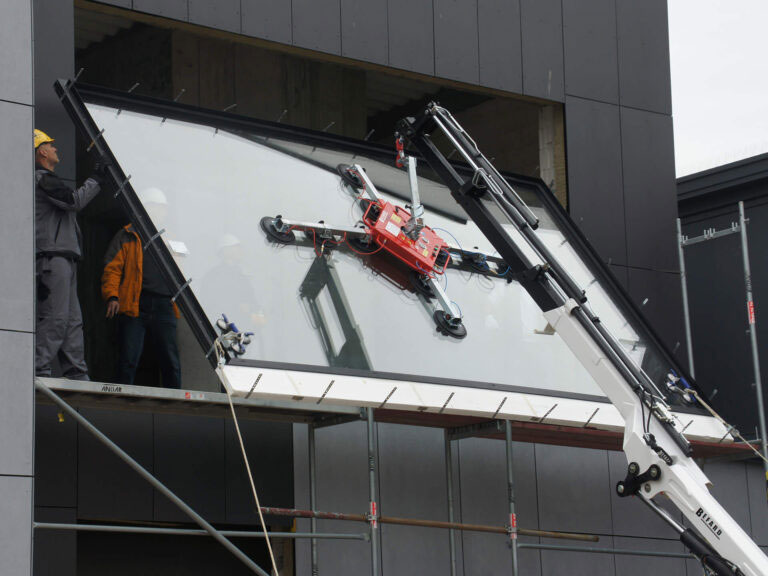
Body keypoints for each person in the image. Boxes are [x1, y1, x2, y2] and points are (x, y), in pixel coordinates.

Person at [35, 129, 106, 380]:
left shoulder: (45, 181)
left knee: (72, 320)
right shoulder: (43, 179)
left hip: (63, 257)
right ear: (42, 151)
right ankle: (38, 368)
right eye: (51, 145)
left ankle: (76, 373)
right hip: (53, 259)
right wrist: (97, 178)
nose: (55, 148)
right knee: (56, 316)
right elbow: (74, 201)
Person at [101, 187, 182, 389]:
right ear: (147, 208)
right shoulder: (127, 235)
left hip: (165, 304)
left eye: (164, 208)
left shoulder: (170, 238)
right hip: (136, 303)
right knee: (128, 358)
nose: (162, 212)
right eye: (158, 207)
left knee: (170, 360)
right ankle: (120, 397)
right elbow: (112, 269)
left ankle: (175, 402)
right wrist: (112, 296)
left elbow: (182, 271)